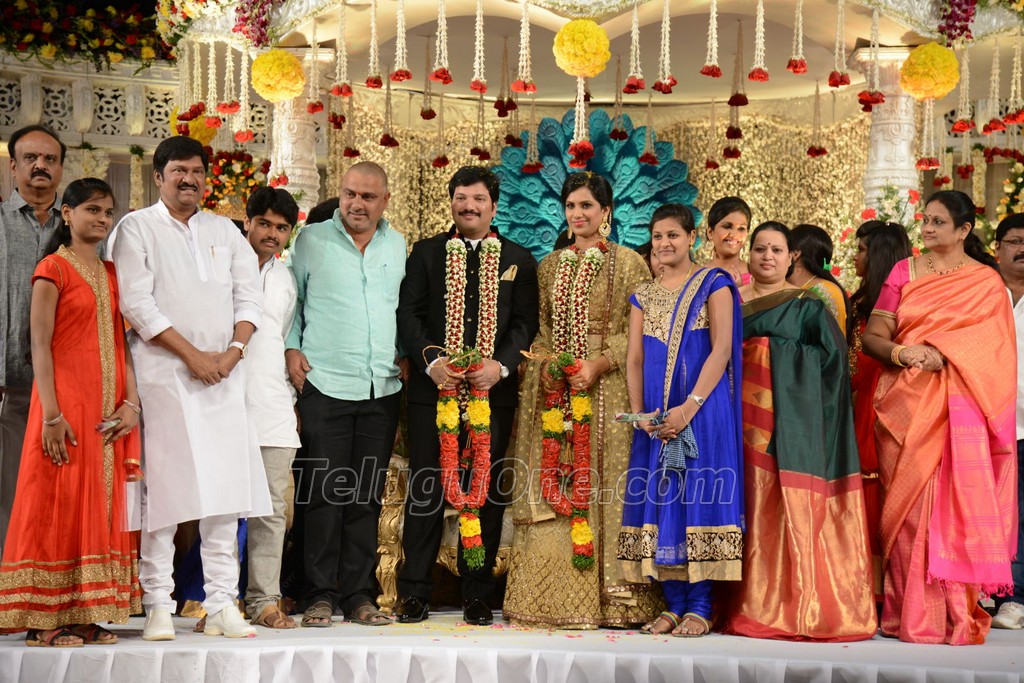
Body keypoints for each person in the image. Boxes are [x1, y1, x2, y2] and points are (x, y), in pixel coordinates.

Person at [111, 136, 271, 641]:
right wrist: (193, 357)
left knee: (225, 492)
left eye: (197, 171)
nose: (189, 179)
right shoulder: (136, 228)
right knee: (164, 492)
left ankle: (221, 603)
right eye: (179, 170)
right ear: (159, 177)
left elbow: (250, 299)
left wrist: (232, 353)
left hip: (223, 377)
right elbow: (137, 305)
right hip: (164, 377)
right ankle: (158, 603)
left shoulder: (224, 230)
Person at [503, 171, 656, 629]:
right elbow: (542, 330)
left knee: (608, 483)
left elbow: (639, 330)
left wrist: (599, 363)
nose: (578, 213)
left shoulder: (630, 264)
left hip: (609, 387)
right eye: (571, 206)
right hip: (556, 389)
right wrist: (549, 366)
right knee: (558, 478)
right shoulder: (549, 266)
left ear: (606, 212)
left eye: (587, 205)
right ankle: (553, 601)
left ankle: (617, 599)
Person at [864, 190, 1016, 645]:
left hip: (959, 409)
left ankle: (952, 612)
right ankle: (906, 614)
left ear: (964, 230)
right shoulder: (903, 271)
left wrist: (944, 352)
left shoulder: (987, 283)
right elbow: (874, 335)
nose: (927, 229)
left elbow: (996, 352)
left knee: (952, 509)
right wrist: (903, 352)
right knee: (908, 511)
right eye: (925, 220)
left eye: (938, 222)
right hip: (904, 403)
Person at [0, 178, 141, 647]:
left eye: (108, 212)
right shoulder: (53, 268)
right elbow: (38, 345)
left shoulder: (111, 273)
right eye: (92, 210)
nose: (102, 219)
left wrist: (131, 402)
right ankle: (44, 619)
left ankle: (84, 612)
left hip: (106, 409)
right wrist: (51, 415)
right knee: (56, 501)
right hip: (62, 407)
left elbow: (122, 343)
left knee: (95, 504)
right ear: (67, 213)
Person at [396, 165, 538, 626]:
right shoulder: (426, 253)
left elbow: (525, 323)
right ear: (452, 202)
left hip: (491, 394)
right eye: (461, 197)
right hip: (433, 391)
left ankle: (477, 594)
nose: (469, 206)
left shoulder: (518, 257)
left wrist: (500, 366)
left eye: (478, 199)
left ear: (493, 206)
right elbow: (409, 315)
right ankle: (414, 592)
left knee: (485, 492)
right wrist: (431, 363)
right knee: (427, 490)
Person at [726, 221, 875, 641]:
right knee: (743, 503)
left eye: (776, 250)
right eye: (759, 249)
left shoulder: (808, 306)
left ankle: (786, 603)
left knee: (776, 504)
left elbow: (833, 367)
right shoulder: (730, 303)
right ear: (749, 254)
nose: (767, 257)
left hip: (790, 428)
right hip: (735, 425)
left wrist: (765, 353)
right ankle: (732, 601)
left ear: (791, 256)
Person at [285, 162, 405, 628]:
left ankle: (358, 596)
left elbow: (400, 308)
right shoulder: (311, 240)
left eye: (368, 197)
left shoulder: (397, 245)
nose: (357, 204)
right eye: (350, 193)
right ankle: (318, 594)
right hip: (324, 383)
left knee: (366, 497)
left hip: (381, 387)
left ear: (385, 200)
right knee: (322, 495)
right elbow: (291, 303)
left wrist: (404, 356)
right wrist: (291, 347)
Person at [618, 204, 744, 637]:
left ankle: (702, 606)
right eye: (658, 236)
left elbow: (721, 350)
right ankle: (673, 605)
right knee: (662, 499)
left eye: (673, 234)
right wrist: (640, 414)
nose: (664, 243)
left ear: (692, 237)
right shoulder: (642, 294)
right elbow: (634, 359)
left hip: (702, 410)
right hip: (656, 418)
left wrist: (688, 408)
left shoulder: (714, 284)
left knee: (701, 496)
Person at [0, 125, 66, 549]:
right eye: (30, 158)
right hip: (6, 383)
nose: (40, 165)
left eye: (49, 159)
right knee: (6, 496)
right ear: (13, 166)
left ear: (60, 168)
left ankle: (48, 585)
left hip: (61, 391)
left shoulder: (79, 226)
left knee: (55, 495)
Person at [240, 186, 301, 630]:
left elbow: (283, 339)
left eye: (281, 228)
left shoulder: (286, 279)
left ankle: (263, 600)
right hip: (223, 402)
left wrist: (290, 398)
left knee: (272, 510)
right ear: (247, 222)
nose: (272, 234)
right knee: (222, 510)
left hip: (274, 405)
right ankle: (218, 599)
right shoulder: (224, 266)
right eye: (264, 223)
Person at [848, 220, 912, 600]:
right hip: (863, 398)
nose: (855, 257)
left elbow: (864, 363)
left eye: (861, 250)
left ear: (879, 256)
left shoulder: (897, 304)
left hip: (881, 398)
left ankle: (883, 588)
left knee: (878, 482)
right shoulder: (858, 301)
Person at [995, 213, 1024, 630]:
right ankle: (994, 592)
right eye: (1015, 241)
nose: (1022, 250)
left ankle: (1015, 597)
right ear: (997, 247)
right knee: (997, 512)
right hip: (988, 421)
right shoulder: (982, 292)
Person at [789, 224, 849, 336]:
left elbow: (832, 342)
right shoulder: (781, 287)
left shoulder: (826, 291)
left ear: (795, 254)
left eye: (778, 250)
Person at [705, 196, 752, 286]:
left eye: (741, 228)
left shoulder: (757, 276)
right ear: (710, 232)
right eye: (727, 226)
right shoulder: (696, 277)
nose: (734, 235)